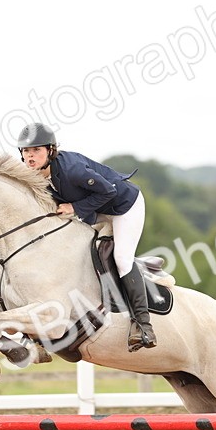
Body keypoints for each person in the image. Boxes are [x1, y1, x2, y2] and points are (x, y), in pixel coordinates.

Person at [16, 122, 156, 351]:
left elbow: (108, 191)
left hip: (124, 206)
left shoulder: (72, 170)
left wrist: (74, 208)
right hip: (94, 209)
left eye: (36, 151)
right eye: (26, 152)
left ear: (50, 151)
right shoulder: (35, 174)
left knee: (122, 258)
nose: (30, 157)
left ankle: (143, 325)